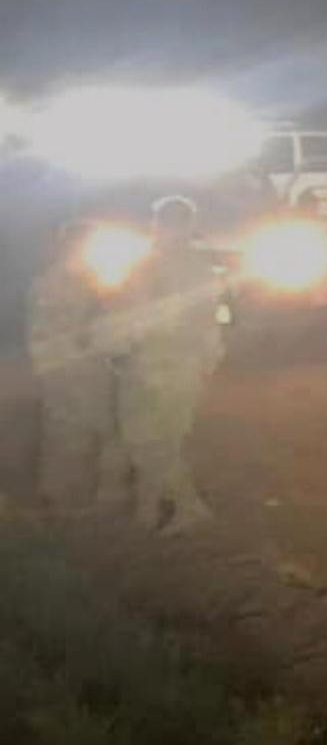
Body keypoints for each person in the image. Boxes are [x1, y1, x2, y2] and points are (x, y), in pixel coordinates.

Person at [97, 197, 224, 533]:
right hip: (187, 365)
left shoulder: (149, 265)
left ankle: (187, 505)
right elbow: (211, 321)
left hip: (152, 364)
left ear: (159, 223)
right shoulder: (200, 265)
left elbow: (132, 319)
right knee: (166, 440)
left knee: (144, 440)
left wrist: (113, 347)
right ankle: (148, 510)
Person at [26, 223, 130, 512]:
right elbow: (103, 331)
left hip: (54, 369)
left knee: (59, 430)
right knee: (111, 429)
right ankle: (110, 493)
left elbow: (36, 331)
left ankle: (56, 493)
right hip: (86, 367)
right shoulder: (90, 284)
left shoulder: (43, 281)